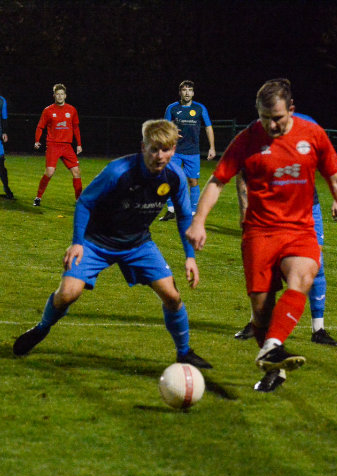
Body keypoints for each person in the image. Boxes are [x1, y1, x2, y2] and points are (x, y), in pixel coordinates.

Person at [186, 79, 337, 392]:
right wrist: (199, 221)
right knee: (262, 311)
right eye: (264, 117)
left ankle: (273, 344)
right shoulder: (247, 139)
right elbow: (218, 181)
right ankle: (274, 364)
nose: (271, 125)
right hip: (260, 233)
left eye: (276, 117)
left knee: (303, 276)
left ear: (291, 109)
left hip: (300, 229)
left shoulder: (312, 135)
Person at [13, 119, 211, 370]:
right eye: (154, 149)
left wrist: (190, 256)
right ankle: (42, 328)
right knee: (67, 294)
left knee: (172, 296)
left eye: (166, 149)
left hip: (138, 244)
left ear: (173, 149)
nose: (160, 156)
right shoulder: (118, 171)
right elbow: (85, 202)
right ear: (143, 147)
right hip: (96, 242)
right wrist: (77, 243)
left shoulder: (175, 176)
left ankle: (184, 352)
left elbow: (183, 217)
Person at [233, 112, 337, 348]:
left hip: (306, 208)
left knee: (316, 264)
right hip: (269, 209)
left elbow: (329, 166)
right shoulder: (256, 130)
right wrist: (245, 208)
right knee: (263, 267)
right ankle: (256, 323)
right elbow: (241, 174)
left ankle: (318, 328)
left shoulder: (310, 126)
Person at [159, 80, 216, 221]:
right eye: (184, 90)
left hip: (192, 152)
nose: (187, 93)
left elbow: (208, 127)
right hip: (174, 150)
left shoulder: (200, 108)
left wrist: (212, 147)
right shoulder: (172, 108)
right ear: (180, 92)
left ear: (193, 93)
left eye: (190, 90)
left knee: (193, 181)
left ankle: (192, 212)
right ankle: (171, 210)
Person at [33, 83, 84, 207]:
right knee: (49, 172)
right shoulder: (48, 110)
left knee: (76, 172)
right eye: (57, 94)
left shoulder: (71, 110)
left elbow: (76, 127)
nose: (60, 96)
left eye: (62, 94)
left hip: (67, 146)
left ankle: (79, 200)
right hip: (53, 145)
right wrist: (37, 140)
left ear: (65, 95)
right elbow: (40, 127)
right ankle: (38, 197)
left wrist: (79, 144)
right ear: (54, 96)